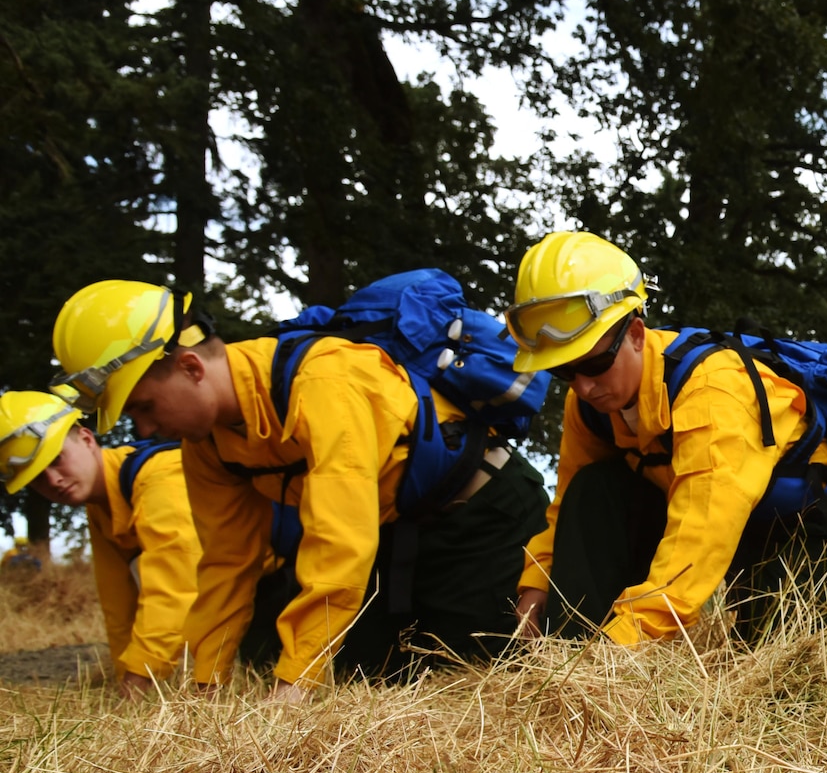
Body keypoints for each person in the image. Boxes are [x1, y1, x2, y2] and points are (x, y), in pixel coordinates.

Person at [50, 281, 549, 700]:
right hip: (398, 532)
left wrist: (294, 683)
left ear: (190, 368)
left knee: (473, 682)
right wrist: (206, 686)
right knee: (370, 682)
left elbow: (340, 538)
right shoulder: (207, 446)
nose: (144, 429)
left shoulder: (324, 380)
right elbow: (226, 564)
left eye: (145, 407)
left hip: (484, 510)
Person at [508, 232, 827, 643]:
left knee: (781, 662)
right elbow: (568, 501)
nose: (583, 387)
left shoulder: (712, 391)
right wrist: (537, 582)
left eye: (594, 364)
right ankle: (566, 647)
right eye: (564, 372)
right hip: (696, 508)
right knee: (594, 489)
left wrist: (620, 646)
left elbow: (699, 534)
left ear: (637, 334)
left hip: (797, 522)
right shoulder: (589, 405)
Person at [2, 389, 198, 694]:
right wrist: (127, 680)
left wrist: (139, 679)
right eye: (37, 477)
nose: (53, 480)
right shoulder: (101, 505)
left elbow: (175, 588)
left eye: (57, 459)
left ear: (86, 438)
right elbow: (118, 605)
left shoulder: (159, 478)